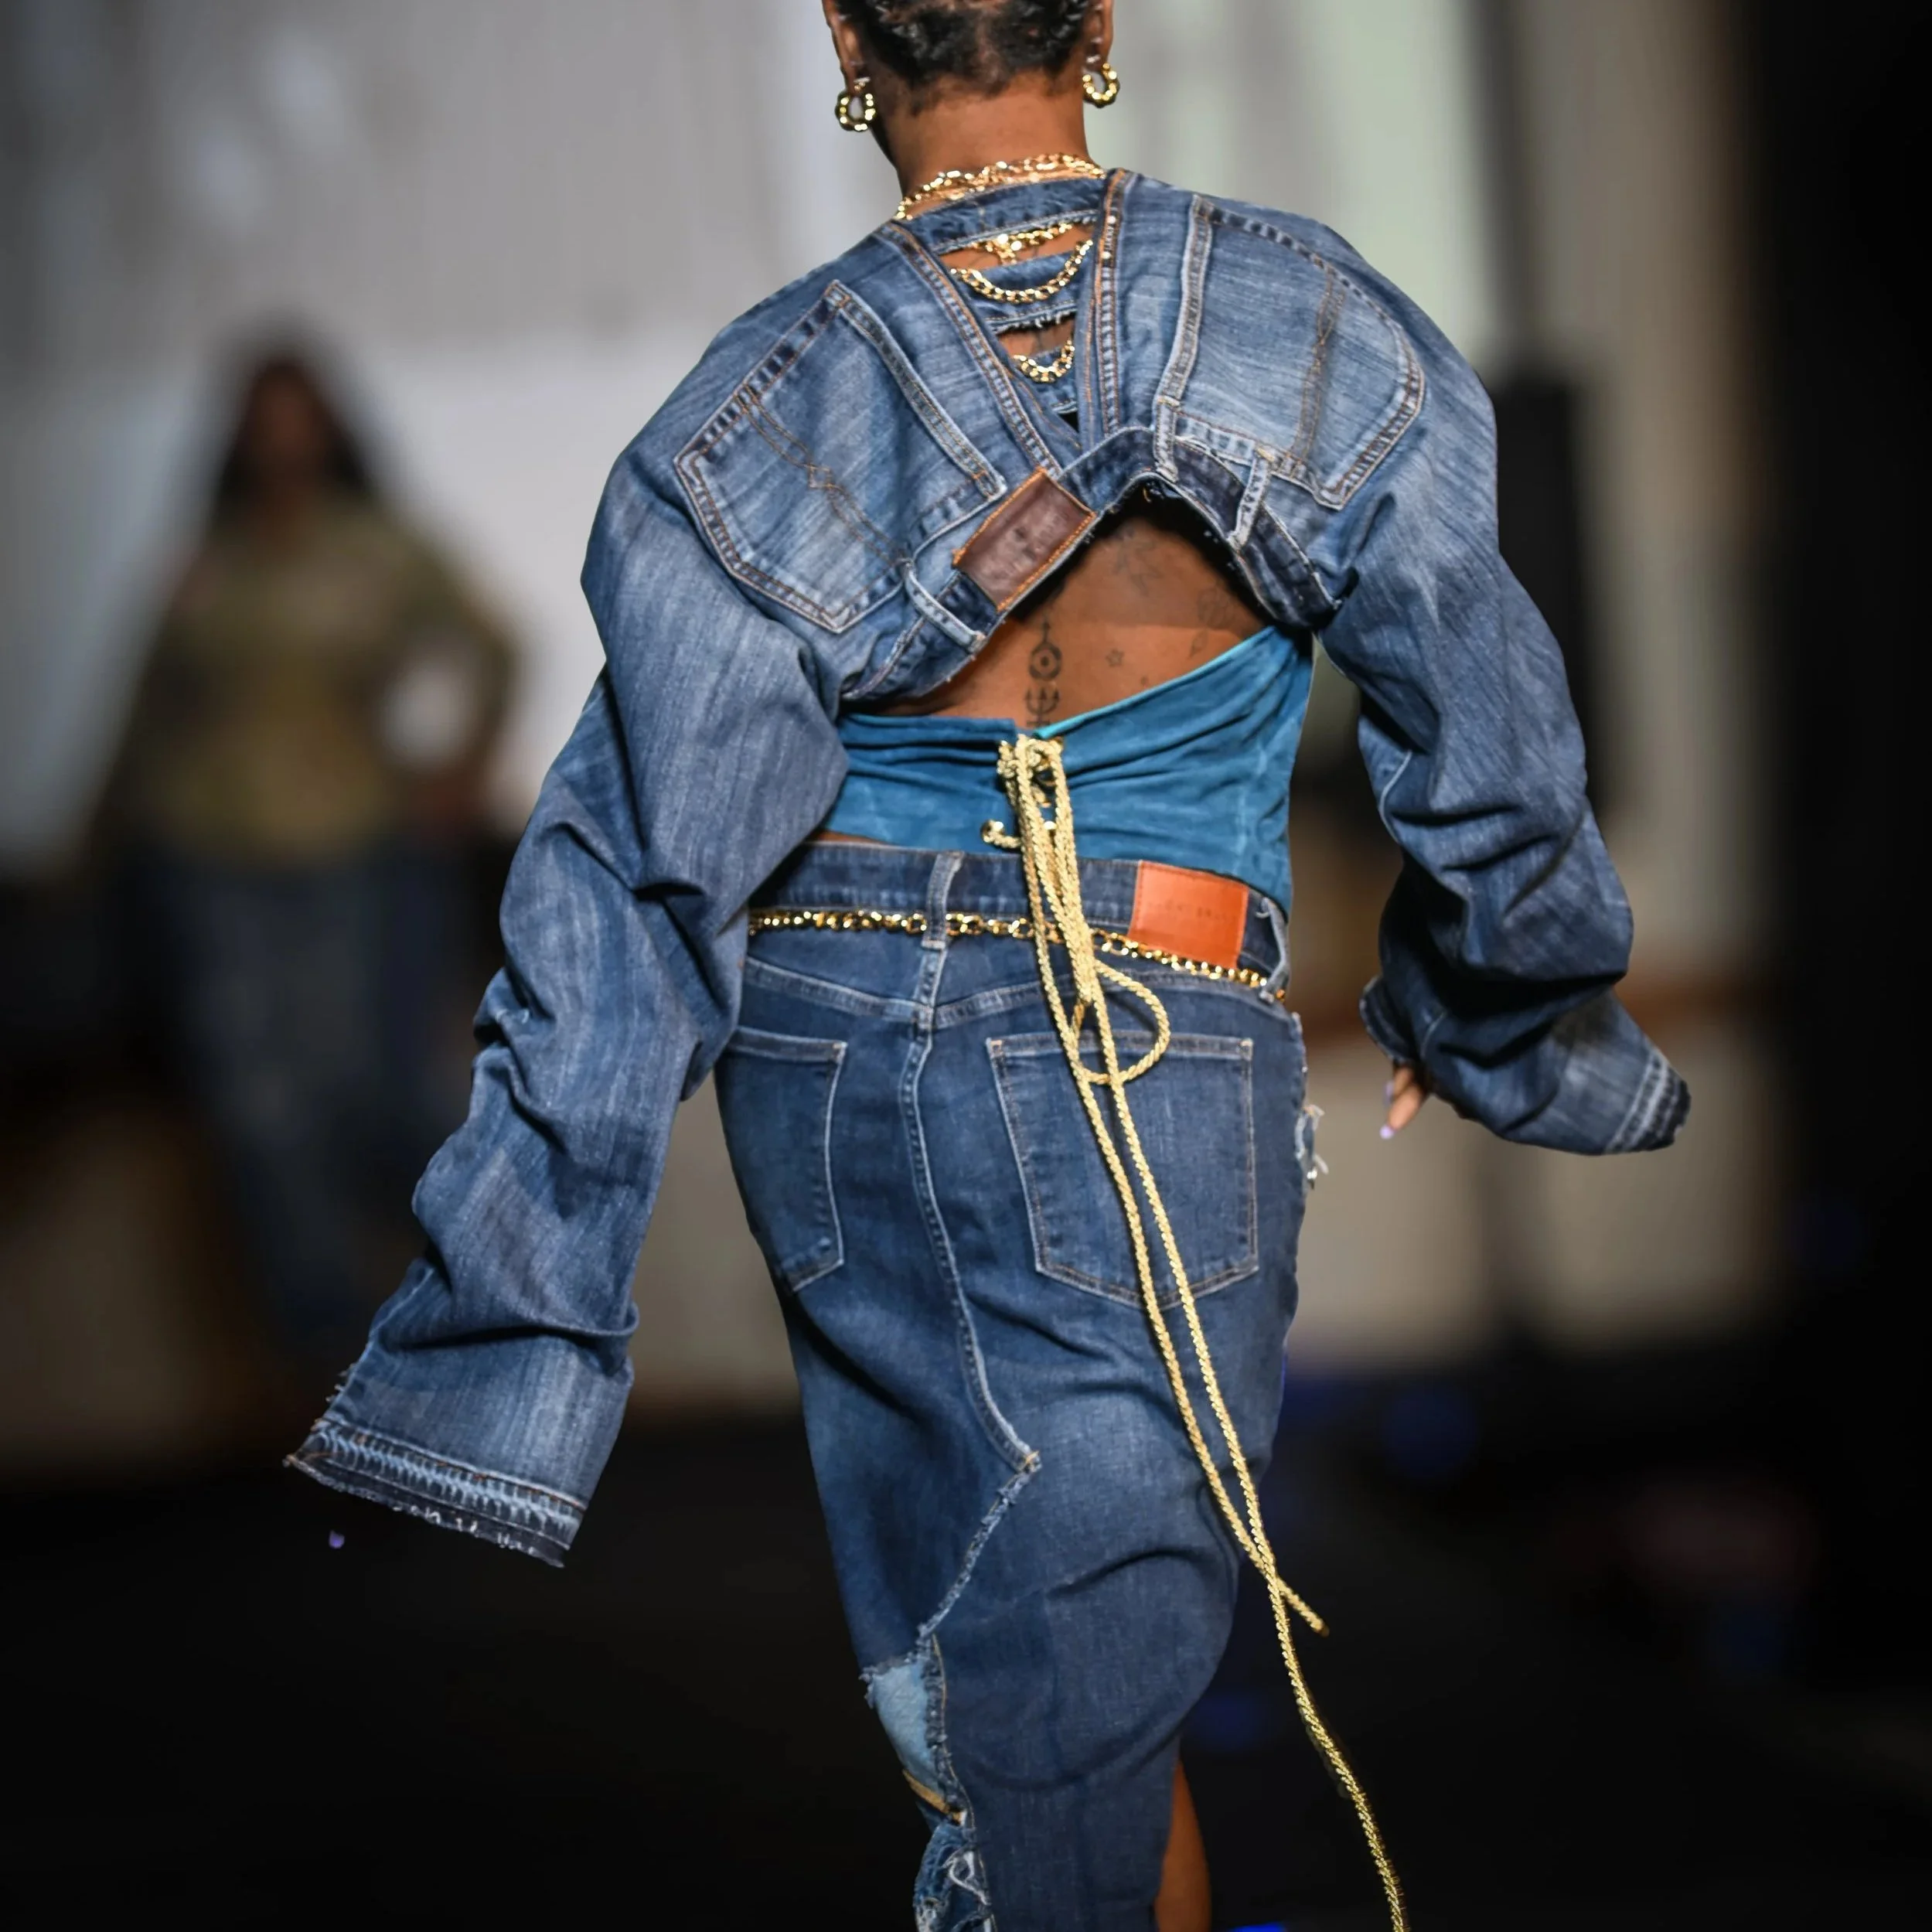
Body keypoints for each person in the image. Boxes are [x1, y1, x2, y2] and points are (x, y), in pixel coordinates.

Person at [290, 7, 1687, 1927]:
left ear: (852, 45)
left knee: (1044, 1723)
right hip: (1162, 1032)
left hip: (840, 1054)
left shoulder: (750, 405)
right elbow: (1495, 743)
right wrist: (1500, 1006)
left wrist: (514, 1313)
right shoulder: (1310, 317)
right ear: (1096, 27)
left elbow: (628, 880)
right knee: (1071, 1723)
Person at [111, 348, 514, 1376]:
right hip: (210, 856)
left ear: (330, 429)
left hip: (347, 846)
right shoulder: (214, 558)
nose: (280, 442)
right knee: (256, 1105)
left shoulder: (375, 549)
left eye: (298, 419)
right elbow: (151, 704)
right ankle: (323, 1346)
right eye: (262, 420)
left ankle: (469, 1310)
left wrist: (461, 767)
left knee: (361, 1087)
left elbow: (493, 645)